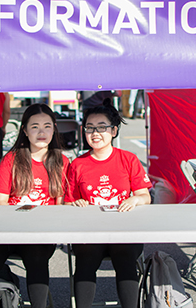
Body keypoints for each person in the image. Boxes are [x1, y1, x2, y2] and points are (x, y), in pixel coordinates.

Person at [0, 103, 70, 308]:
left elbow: (60, 207)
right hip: (9, 230)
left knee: (37, 259)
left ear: (54, 129)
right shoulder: (11, 159)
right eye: (35, 126)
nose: (41, 132)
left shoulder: (62, 162)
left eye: (47, 126)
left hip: (40, 233)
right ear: (24, 130)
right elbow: (1, 202)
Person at [65, 98, 152, 308]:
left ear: (113, 131)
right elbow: (67, 202)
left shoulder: (128, 159)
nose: (95, 133)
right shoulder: (77, 164)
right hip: (90, 232)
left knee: (125, 259)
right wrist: (75, 204)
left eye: (102, 127)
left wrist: (135, 199)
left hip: (123, 230)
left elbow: (145, 196)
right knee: (85, 260)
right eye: (90, 128)